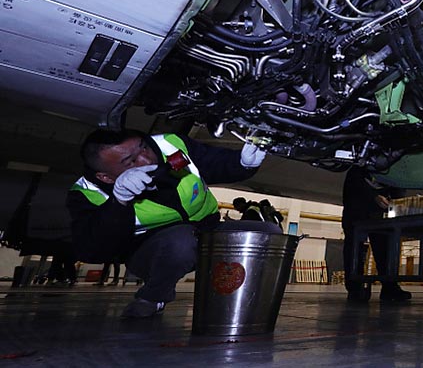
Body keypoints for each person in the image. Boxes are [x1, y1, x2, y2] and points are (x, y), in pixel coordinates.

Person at [67, 128, 278, 318]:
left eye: (143, 147)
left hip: (208, 232)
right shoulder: (87, 194)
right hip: (153, 253)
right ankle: (152, 298)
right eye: (130, 161)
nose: (146, 159)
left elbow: (213, 163)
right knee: (182, 239)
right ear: (105, 177)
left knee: (270, 234)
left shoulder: (170, 144)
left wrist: (243, 163)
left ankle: (236, 294)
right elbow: (91, 250)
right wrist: (119, 202)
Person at [341, 166, 411, 302]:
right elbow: (353, 190)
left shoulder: (391, 172)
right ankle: (355, 289)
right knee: (354, 250)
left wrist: (397, 201)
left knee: (385, 250)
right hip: (356, 214)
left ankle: (389, 288)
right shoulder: (357, 170)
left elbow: (398, 190)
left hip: (378, 215)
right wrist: (373, 197)